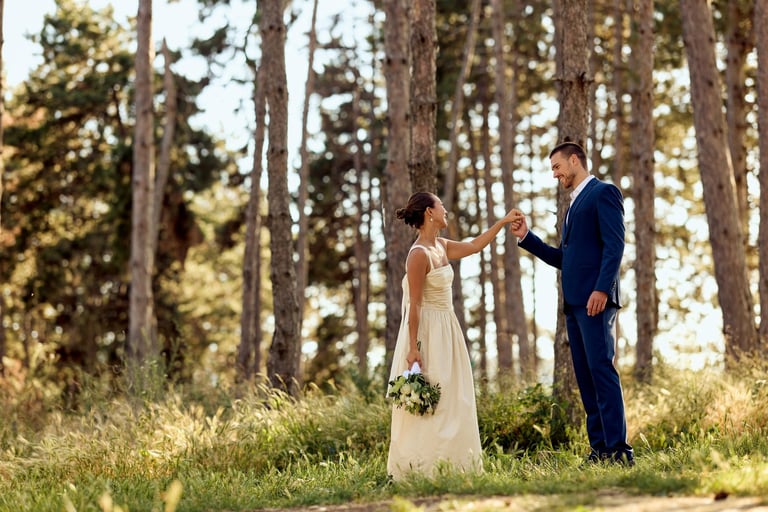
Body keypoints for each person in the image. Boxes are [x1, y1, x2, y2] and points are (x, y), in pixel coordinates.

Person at [509, 141, 634, 466]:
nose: (555, 174)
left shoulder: (604, 193)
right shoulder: (572, 206)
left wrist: (602, 290)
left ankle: (620, 450)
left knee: (601, 371)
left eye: (557, 167)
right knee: (585, 376)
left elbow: (614, 245)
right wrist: (527, 237)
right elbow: (566, 258)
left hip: (596, 300)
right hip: (575, 305)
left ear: (575, 160)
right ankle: (600, 450)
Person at [387, 191, 522, 480]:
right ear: (429, 212)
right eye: (441, 207)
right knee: (430, 402)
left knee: (453, 400)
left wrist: (502, 222)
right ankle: (420, 470)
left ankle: (456, 467)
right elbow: (415, 305)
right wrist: (413, 349)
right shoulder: (418, 255)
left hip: (448, 329)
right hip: (427, 333)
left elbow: (474, 246)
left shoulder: (441, 245)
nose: (445, 211)